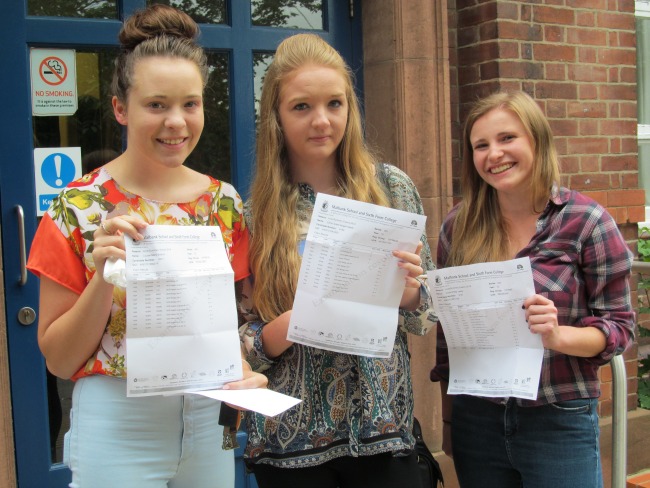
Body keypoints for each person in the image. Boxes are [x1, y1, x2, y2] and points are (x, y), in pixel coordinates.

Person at [26, 5, 266, 487]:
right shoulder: (78, 206)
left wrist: (242, 367)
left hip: (206, 417)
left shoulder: (223, 202)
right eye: (156, 105)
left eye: (190, 104)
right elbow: (59, 359)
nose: (176, 122)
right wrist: (103, 275)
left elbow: (230, 322)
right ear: (121, 107)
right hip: (119, 421)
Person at [237, 33, 437, 488]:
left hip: (384, 433)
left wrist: (410, 294)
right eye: (301, 107)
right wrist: (292, 322)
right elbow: (241, 343)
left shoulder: (392, 188)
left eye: (335, 103)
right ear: (276, 117)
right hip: (292, 442)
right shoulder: (254, 214)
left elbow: (426, 314)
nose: (322, 121)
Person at [430, 90, 635, 488]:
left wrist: (558, 335)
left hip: (557, 416)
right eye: (481, 145)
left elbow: (620, 329)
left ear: (537, 141)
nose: (494, 154)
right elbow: (448, 338)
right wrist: (451, 420)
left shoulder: (586, 221)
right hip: (478, 417)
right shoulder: (459, 226)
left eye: (507, 138)